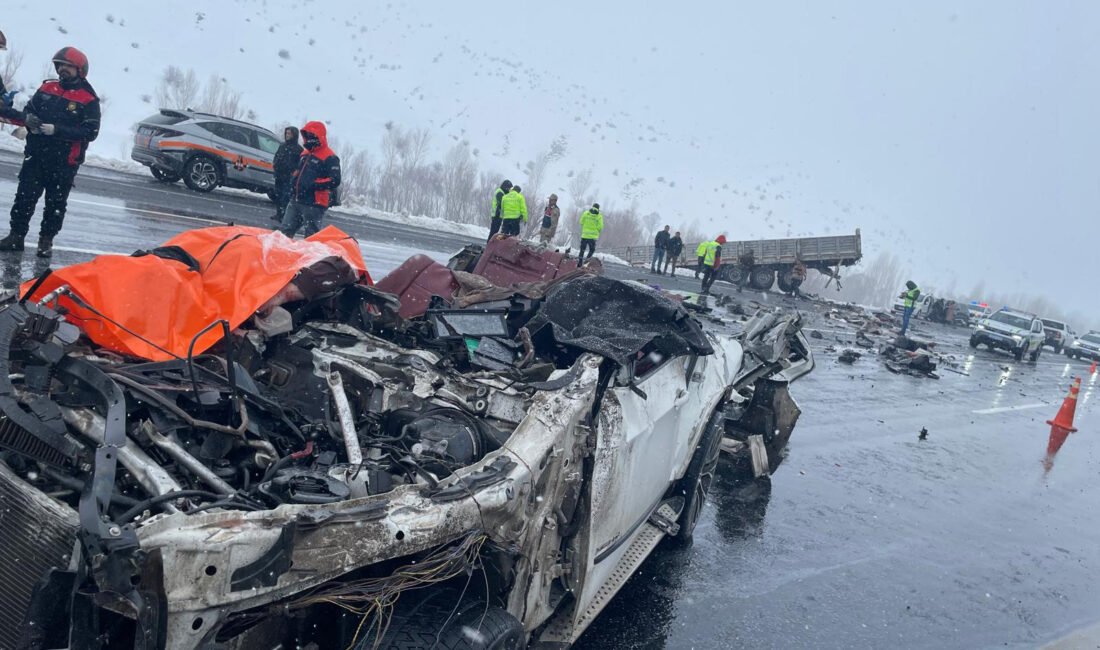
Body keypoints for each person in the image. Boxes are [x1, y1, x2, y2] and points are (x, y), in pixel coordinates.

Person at [0, 47, 100, 256]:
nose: (63, 69)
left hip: (64, 162)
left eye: (68, 66)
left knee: (55, 204)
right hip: (36, 155)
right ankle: (16, 236)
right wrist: (30, 120)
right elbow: (30, 109)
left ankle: (46, 242)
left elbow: (90, 131)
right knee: (24, 198)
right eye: (60, 65)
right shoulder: (47, 89)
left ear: (80, 70)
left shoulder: (88, 99)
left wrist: (58, 130)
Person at [280, 121, 340, 238]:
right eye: (306, 135)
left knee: (311, 238)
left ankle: (309, 256)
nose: (307, 138)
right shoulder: (305, 153)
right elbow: (298, 171)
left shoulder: (330, 157)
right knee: (284, 234)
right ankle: (280, 255)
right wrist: (293, 182)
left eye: (311, 135)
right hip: (296, 200)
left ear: (319, 136)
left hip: (314, 203)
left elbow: (335, 180)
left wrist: (313, 185)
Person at [270, 126, 302, 223]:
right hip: (279, 175)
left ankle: (284, 216)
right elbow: (277, 157)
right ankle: (279, 213)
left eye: (290, 134)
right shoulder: (283, 146)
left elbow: (299, 164)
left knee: (286, 197)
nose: (287, 136)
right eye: (287, 133)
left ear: (294, 135)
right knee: (278, 195)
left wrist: (293, 173)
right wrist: (275, 166)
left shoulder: (298, 149)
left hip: (289, 178)